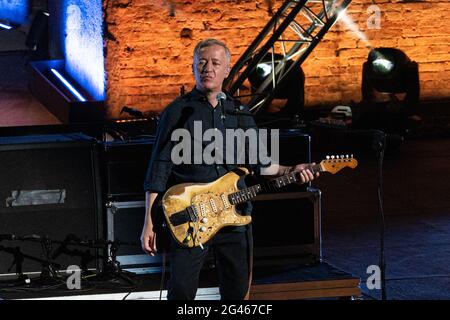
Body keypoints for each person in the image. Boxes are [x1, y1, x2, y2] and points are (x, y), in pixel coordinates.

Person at [141, 38, 318, 300]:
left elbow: (263, 165)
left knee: (236, 294)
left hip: (234, 219)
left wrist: (294, 169)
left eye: (215, 63)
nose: (207, 69)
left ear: (226, 70)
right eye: (201, 63)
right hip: (191, 215)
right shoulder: (177, 112)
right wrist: (149, 222)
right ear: (193, 68)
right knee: (181, 292)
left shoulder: (240, 114)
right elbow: (159, 167)